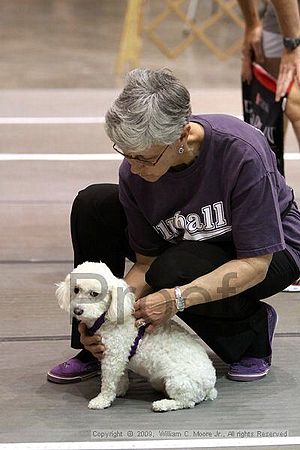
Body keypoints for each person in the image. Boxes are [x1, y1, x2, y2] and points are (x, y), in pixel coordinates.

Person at [47, 68, 300, 384]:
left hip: (270, 251)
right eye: (128, 155)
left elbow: (255, 264)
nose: (135, 168)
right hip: (189, 242)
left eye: (145, 158)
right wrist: (105, 318)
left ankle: (251, 331)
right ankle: (96, 350)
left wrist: (176, 298)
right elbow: (144, 263)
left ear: (181, 136)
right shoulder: (134, 172)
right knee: (94, 204)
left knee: (171, 272)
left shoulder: (241, 153)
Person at [238, 0, 300, 147]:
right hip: (279, 17)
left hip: (280, 19)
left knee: (293, 104)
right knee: (279, 101)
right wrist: (252, 24)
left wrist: (292, 44)